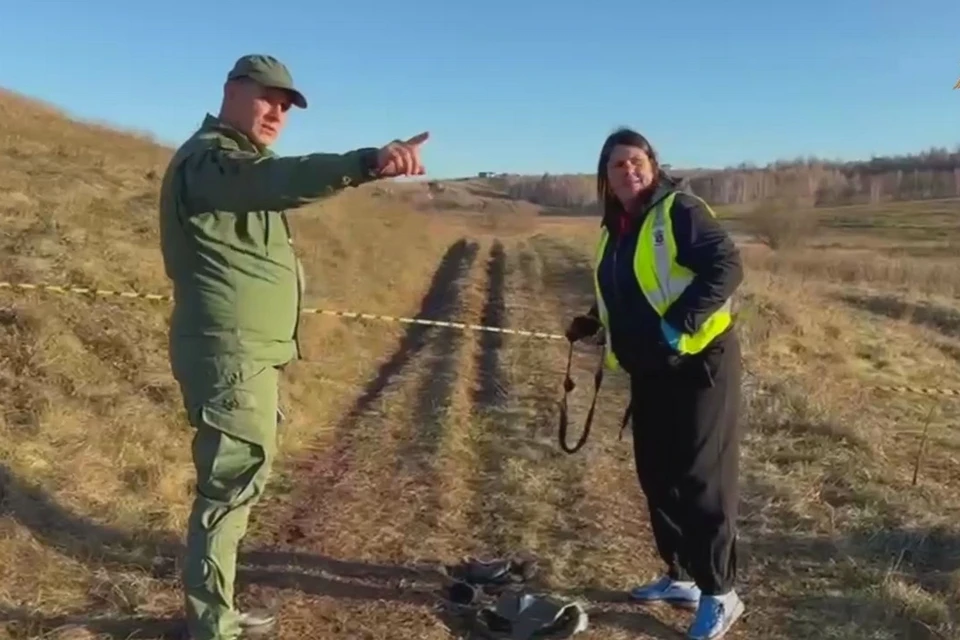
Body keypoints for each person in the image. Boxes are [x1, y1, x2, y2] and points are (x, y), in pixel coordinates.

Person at [157, 54, 430, 640]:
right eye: (267, 97)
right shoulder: (213, 161)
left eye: (287, 105)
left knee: (239, 483)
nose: (278, 111)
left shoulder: (233, 163)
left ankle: (216, 612)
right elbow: (279, 180)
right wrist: (365, 163)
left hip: (246, 355)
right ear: (231, 91)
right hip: (230, 358)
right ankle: (211, 625)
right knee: (230, 488)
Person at [564, 127, 745, 640]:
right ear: (606, 176)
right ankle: (682, 576)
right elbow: (630, 291)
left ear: (652, 163)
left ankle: (722, 594)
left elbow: (727, 266)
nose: (629, 170)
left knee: (700, 478)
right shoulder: (614, 227)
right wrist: (596, 324)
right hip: (649, 368)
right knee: (656, 474)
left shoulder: (679, 212)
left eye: (636, 160)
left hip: (700, 365)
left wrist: (678, 324)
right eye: (617, 165)